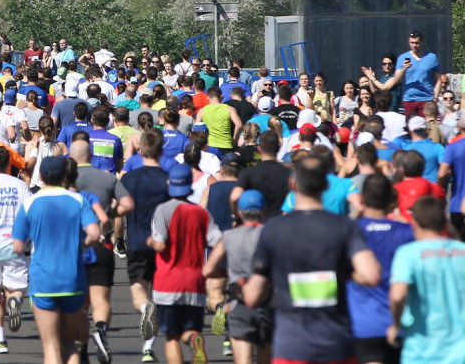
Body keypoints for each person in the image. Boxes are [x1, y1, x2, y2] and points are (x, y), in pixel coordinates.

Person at [243, 155, 382, 363]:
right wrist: (343, 272)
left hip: (291, 344)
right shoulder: (344, 227)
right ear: (326, 184)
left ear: (292, 184)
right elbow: (371, 275)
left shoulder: (273, 230)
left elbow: (253, 296)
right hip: (336, 343)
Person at [12, 155, 100, 364]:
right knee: (69, 344)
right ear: (65, 176)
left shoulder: (30, 203)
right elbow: (95, 233)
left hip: (43, 280)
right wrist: (81, 245)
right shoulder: (78, 200)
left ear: (40, 176)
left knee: (50, 346)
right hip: (73, 278)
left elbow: (17, 246)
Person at [148, 163, 222, 364]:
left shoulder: (162, 210)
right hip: (195, 283)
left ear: (169, 183)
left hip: (168, 282)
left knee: (171, 336)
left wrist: (151, 242)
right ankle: (192, 338)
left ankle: (189, 339)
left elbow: (161, 245)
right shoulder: (202, 214)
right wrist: (211, 266)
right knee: (191, 328)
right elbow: (219, 241)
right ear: (190, 184)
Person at [71, 139, 132, 364]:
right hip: (102, 243)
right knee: (101, 299)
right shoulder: (107, 178)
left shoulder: (66, 179)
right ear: (91, 155)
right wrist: (109, 210)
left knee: (80, 304)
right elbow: (128, 204)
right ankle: (101, 329)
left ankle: (82, 347)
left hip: (74, 246)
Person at [345, 174, 414, 364]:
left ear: (363, 199)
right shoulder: (407, 232)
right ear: (391, 200)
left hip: (361, 324)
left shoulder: (349, 231)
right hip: (400, 323)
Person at [387, 195, 465, 364]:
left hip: (421, 351)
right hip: (460, 352)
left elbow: (397, 295)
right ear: (445, 223)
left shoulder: (408, 254)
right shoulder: (462, 251)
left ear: (415, 223)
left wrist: (396, 324)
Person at [203, 190, 273, 364]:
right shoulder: (273, 235)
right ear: (264, 211)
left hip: (239, 302)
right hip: (268, 302)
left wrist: (229, 272)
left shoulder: (229, 237)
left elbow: (208, 269)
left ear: (239, 213)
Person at [117, 128, 169, 362]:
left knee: (140, 292)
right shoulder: (168, 179)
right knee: (158, 295)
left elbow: (118, 209)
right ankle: (149, 348)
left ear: (140, 149)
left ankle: (144, 310)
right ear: (161, 150)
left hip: (137, 241)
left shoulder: (129, 178)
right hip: (163, 244)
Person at [0, 146, 32, 356]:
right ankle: (14, 301)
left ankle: (0, 338)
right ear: (8, 164)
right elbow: (30, 212)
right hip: (16, 243)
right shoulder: (20, 185)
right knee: (18, 287)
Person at [366, 31, 442, 118]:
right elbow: (396, 79)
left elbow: (438, 80)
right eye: (412, 43)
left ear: (421, 42)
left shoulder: (431, 57)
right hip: (409, 99)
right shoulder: (402, 58)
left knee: (427, 126)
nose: (414, 45)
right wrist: (404, 69)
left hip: (426, 98)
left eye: (417, 43)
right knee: (410, 126)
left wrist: (435, 98)